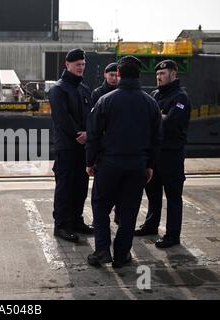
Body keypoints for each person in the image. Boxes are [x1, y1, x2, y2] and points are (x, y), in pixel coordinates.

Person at [85, 56, 162, 268]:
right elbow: (157, 139)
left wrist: (90, 161)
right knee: (129, 211)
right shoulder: (151, 103)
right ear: (139, 75)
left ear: (118, 74)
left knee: (100, 207)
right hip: (137, 166)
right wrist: (150, 165)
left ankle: (102, 251)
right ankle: (121, 255)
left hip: (109, 165)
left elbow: (93, 134)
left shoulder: (105, 100)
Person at [134, 60, 191, 249]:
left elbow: (170, 123)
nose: (159, 77)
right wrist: (160, 115)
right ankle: (151, 225)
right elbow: (146, 118)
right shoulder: (154, 94)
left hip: (172, 155)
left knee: (173, 196)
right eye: (157, 74)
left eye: (163, 74)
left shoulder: (181, 97)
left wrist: (156, 117)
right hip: (154, 154)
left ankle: (173, 235)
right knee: (153, 193)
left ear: (173, 74)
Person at [49, 48, 95, 243]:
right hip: (67, 147)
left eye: (83, 64)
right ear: (67, 65)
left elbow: (91, 117)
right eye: (78, 65)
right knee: (65, 186)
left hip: (82, 148)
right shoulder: (58, 89)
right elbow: (62, 118)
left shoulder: (84, 89)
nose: (81, 68)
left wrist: (89, 134)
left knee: (81, 187)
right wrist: (80, 135)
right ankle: (61, 225)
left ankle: (76, 220)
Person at [91, 62, 120, 224]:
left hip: (117, 144)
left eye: (117, 75)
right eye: (111, 75)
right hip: (103, 147)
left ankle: (117, 211)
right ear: (105, 75)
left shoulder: (122, 92)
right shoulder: (98, 94)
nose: (114, 78)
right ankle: (100, 218)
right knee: (101, 187)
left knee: (118, 186)